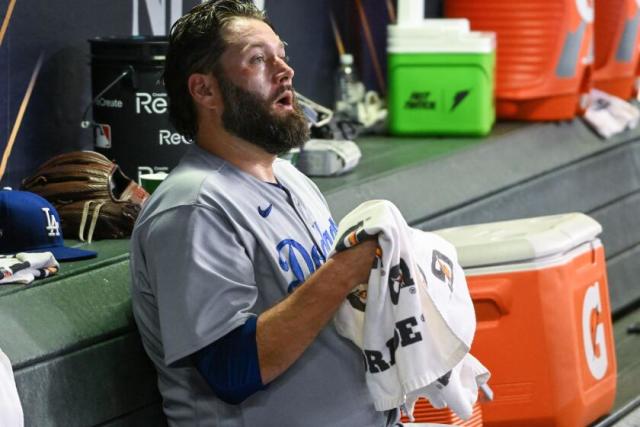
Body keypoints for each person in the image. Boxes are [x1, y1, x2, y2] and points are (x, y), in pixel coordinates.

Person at [129, 1, 394, 425]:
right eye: (257, 59)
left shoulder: (293, 181)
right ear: (205, 90)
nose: (284, 71)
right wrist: (344, 272)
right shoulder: (194, 206)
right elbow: (230, 371)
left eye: (281, 57)